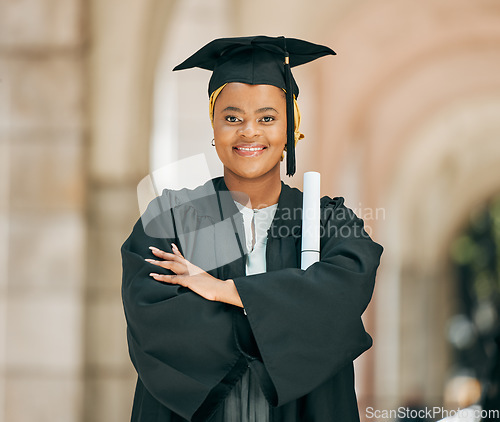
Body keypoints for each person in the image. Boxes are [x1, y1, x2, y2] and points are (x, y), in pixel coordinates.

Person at [121, 35, 384, 422]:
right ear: (213, 126)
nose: (249, 132)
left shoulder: (330, 222)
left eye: (267, 118)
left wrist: (224, 290)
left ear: (291, 127)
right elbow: (157, 322)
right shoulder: (175, 217)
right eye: (232, 118)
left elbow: (342, 297)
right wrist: (283, 314)